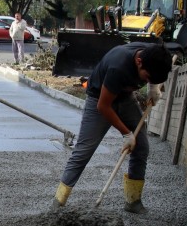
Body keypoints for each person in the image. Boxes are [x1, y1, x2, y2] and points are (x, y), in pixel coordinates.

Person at [51, 41, 173, 214]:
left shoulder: (153, 55)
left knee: (142, 146)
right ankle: (58, 203)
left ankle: (133, 202)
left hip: (125, 98)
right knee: (84, 151)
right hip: (99, 100)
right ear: (139, 62)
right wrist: (126, 134)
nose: (146, 81)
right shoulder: (119, 67)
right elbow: (103, 106)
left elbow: (161, 64)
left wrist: (154, 87)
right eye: (147, 78)